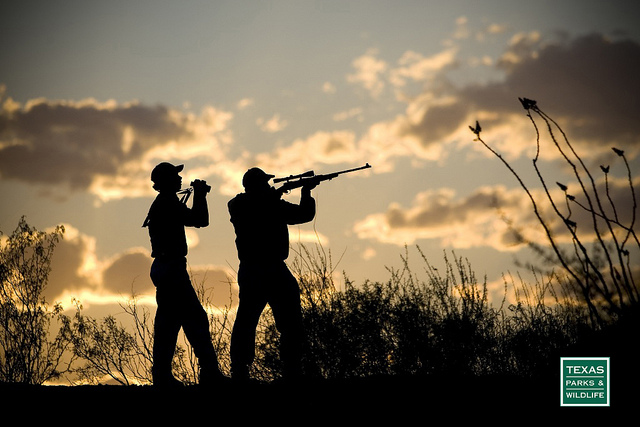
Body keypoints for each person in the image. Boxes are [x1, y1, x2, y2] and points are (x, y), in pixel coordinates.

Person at [228, 167, 316, 382]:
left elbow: (304, 215)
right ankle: (240, 370)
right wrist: (275, 195)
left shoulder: (272, 203)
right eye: (264, 183)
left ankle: (292, 369)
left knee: (291, 321)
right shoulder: (240, 204)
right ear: (255, 185)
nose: (268, 186)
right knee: (247, 321)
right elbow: (256, 208)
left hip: (274, 268)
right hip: (256, 269)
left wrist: (306, 193)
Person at [143, 161, 224, 386]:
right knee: (194, 319)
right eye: (175, 176)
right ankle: (208, 374)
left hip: (166, 268)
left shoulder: (164, 202)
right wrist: (200, 195)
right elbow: (201, 220)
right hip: (171, 269)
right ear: (167, 180)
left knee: (169, 324)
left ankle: (163, 375)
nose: (180, 179)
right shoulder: (168, 202)